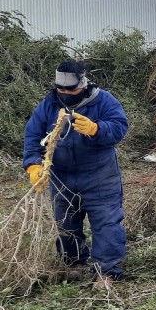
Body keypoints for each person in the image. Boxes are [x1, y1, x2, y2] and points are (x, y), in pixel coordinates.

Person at [23, 60, 129, 288]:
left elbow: (120, 128)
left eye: (71, 89)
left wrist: (97, 129)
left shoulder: (103, 100)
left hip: (99, 174)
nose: (66, 93)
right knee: (66, 224)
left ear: (83, 83)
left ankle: (106, 271)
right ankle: (73, 264)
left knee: (106, 222)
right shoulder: (48, 105)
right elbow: (32, 136)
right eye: (61, 89)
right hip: (62, 178)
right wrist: (33, 165)